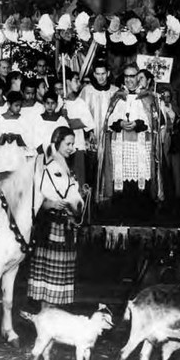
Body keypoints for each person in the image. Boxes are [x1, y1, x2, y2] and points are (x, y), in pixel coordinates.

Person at [96, 62, 163, 222]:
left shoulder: (148, 98)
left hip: (141, 147)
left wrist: (138, 124)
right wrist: (119, 124)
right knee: (122, 185)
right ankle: (121, 218)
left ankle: (141, 219)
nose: (129, 80)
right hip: (121, 147)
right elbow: (108, 122)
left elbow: (155, 122)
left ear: (138, 78)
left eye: (132, 76)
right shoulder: (117, 97)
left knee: (141, 183)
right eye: (126, 76)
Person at [27, 126, 78, 308]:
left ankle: (52, 315)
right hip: (49, 225)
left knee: (59, 273)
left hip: (65, 225)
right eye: (68, 143)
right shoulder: (46, 164)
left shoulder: (68, 165)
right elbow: (36, 194)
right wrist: (49, 204)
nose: (71, 147)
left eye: (73, 144)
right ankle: (45, 314)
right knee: (47, 272)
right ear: (57, 143)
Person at [79, 59, 118, 187]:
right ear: (94, 74)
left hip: (110, 136)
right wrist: (89, 131)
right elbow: (81, 112)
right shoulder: (87, 91)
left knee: (110, 167)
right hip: (92, 136)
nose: (100, 77)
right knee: (92, 169)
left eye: (103, 73)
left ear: (108, 73)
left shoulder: (115, 91)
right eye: (97, 74)